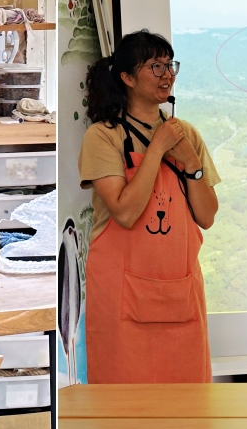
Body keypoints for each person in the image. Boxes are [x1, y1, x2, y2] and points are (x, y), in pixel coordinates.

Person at [78, 30, 220, 383]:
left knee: (186, 405)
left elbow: (207, 216)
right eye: (155, 66)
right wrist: (156, 149)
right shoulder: (103, 135)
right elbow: (125, 213)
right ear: (127, 77)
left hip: (179, 289)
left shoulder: (186, 133)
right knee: (123, 405)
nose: (167, 75)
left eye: (170, 65)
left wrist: (191, 162)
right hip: (120, 295)